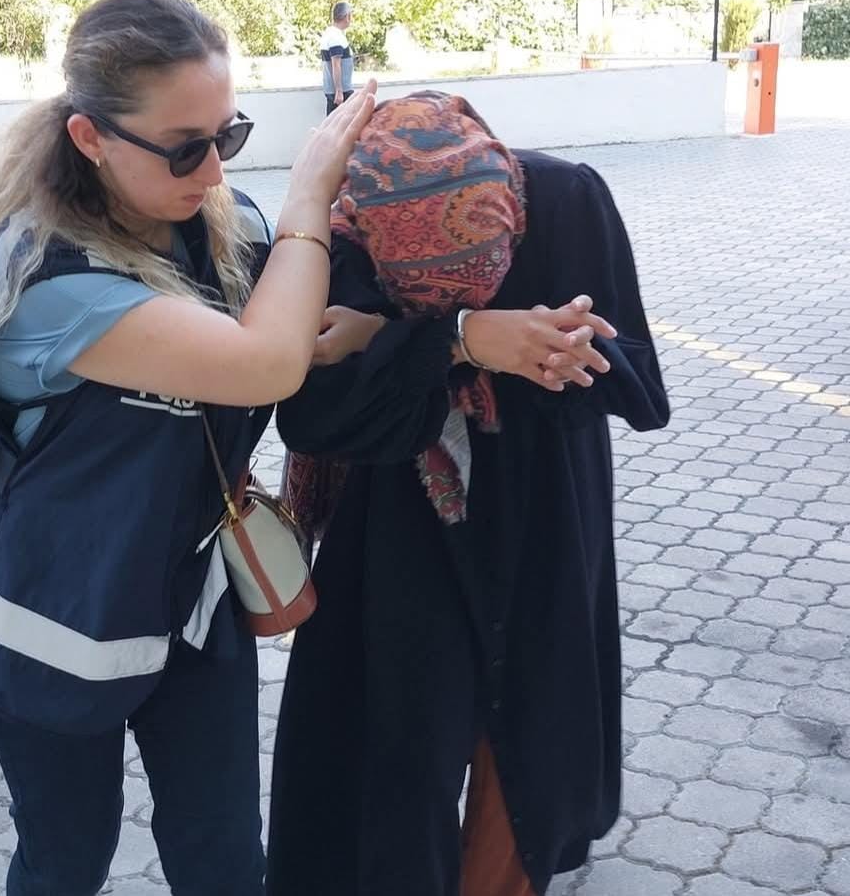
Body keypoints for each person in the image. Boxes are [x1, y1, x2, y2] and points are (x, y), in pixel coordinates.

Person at [0, 0, 378, 896]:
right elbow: (265, 361)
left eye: (228, 136)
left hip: (191, 606)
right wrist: (309, 197)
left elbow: (319, 310)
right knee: (67, 858)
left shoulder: (219, 224)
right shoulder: (52, 276)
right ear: (90, 137)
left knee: (225, 861)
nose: (212, 172)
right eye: (183, 147)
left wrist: (452, 334)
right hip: (56, 617)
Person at [267, 92, 670, 896]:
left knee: (525, 760)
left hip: (542, 515)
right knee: (399, 769)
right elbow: (318, 416)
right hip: (397, 533)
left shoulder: (565, 200)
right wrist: (458, 341)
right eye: (415, 291)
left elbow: (639, 387)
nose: (452, 299)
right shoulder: (354, 231)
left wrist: (543, 350)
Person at [321, 1, 355, 115]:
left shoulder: (331, 33)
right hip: (340, 93)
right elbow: (336, 64)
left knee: (333, 122)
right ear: (347, 16)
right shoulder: (335, 37)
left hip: (336, 91)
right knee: (339, 123)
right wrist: (339, 91)